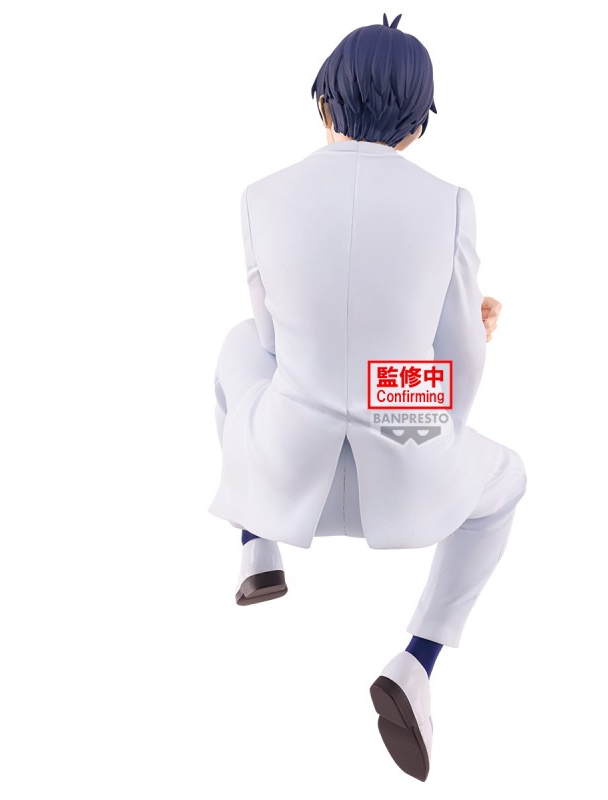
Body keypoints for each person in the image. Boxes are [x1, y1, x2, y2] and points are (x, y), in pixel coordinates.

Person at [208, 12, 527, 781]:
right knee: (509, 478)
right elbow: (458, 367)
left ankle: (256, 543)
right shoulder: (450, 202)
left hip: (290, 476)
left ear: (324, 102)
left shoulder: (261, 196)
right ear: (417, 126)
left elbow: (271, 340)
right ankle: (417, 661)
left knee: (237, 344)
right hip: (410, 482)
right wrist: (452, 363)